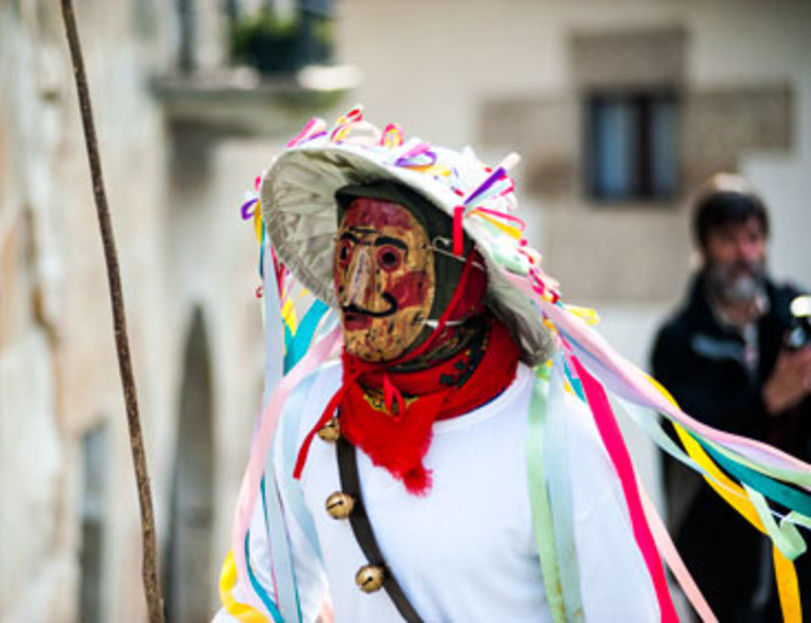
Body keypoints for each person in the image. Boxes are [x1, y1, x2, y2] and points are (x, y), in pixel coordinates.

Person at [217, 110, 811, 622]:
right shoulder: (307, 411)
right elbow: (265, 596)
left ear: (458, 278)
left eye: (390, 257)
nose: (356, 286)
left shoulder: (552, 434)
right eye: (347, 254)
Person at [651, 173, 811, 621]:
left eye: (754, 238)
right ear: (703, 248)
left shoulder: (795, 314)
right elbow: (694, 442)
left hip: (799, 551)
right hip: (719, 558)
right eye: (729, 240)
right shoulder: (678, 340)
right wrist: (768, 400)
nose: (745, 254)